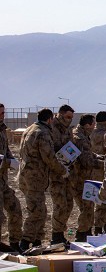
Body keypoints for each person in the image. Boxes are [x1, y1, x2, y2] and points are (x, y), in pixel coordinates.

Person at [18, 108, 67, 251]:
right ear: (50, 119)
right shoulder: (43, 133)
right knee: (37, 212)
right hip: (35, 179)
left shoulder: (29, 130)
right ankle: (25, 242)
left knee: (40, 210)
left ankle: (37, 242)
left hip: (27, 177)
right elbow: (49, 158)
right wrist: (63, 170)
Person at [49, 104, 75, 244]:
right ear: (60, 115)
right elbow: (51, 150)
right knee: (60, 204)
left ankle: (60, 233)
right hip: (56, 172)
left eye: (71, 118)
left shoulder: (67, 130)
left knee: (68, 204)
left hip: (66, 172)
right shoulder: (52, 128)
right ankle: (56, 235)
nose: (69, 120)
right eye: (67, 117)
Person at [0, 103, 23, 251]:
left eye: (3, 113)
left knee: (15, 209)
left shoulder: (2, 131)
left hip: (3, 181)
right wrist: (8, 162)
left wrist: (12, 159)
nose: (2, 116)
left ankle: (14, 243)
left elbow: (6, 149)